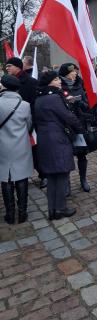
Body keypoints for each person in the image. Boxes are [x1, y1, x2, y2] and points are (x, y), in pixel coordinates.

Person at [34, 71, 83, 220]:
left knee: (52, 176)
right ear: (49, 82)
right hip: (57, 139)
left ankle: (52, 209)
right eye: (56, 79)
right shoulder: (54, 98)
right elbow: (67, 116)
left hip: (45, 140)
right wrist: (79, 127)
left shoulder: (39, 98)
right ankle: (60, 208)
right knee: (61, 175)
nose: (59, 81)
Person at [5, 57, 47, 189]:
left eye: (9, 66)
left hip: (29, 123)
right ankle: (19, 175)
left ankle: (44, 175)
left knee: (35, 151)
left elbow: (35, 104)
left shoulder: (31, 82)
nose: (7, 68)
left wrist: (32, 124)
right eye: (6, 67)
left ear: (18, 67)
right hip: (13, 124)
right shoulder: (6, 83)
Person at [0, 75, 33, 224]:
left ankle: (10, 213)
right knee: (21, 177)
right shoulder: (25, 105)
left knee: (5, 178)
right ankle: (22, 213)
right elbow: (29, 126)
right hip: (21, 145)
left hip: (2, 146)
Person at [59, 63, 92, 193]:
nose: (75, 74)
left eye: (75, 72)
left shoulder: (79, 85)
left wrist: (79, 102)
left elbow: (87, 105)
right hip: (65, 126)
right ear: (65, 74)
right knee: (67, 155)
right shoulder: (59, 87)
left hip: (79, 124)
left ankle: (83, 179)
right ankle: (67, 184)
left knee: (82, 154)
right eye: (72, 72)